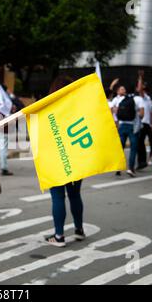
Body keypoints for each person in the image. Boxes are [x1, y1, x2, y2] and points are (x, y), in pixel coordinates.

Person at [45, 75, 85, 248]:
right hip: (76, 157)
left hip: (56, 158)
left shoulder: (48, 109)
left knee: (57, 197)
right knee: (75, 194)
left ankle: (59, 235)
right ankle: (79, 230)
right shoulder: (77, 107)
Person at [112, 84, 145, 177]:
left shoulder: (121, 99)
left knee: (120, 147)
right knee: (133, 148)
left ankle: (118, 168)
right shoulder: (139, 99)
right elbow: (142, 114)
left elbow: (115, 112)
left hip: (122, 126)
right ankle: (130, 168)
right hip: (133, 126)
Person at [135, 71, 152, 170]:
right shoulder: (148, 100)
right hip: (147, 124)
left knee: (140, 143)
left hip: (144, 124)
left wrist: (140, 77)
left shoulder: (145, 98)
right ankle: (143, 161)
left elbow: (140, 89)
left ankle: (143, 161)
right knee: (142, 143)